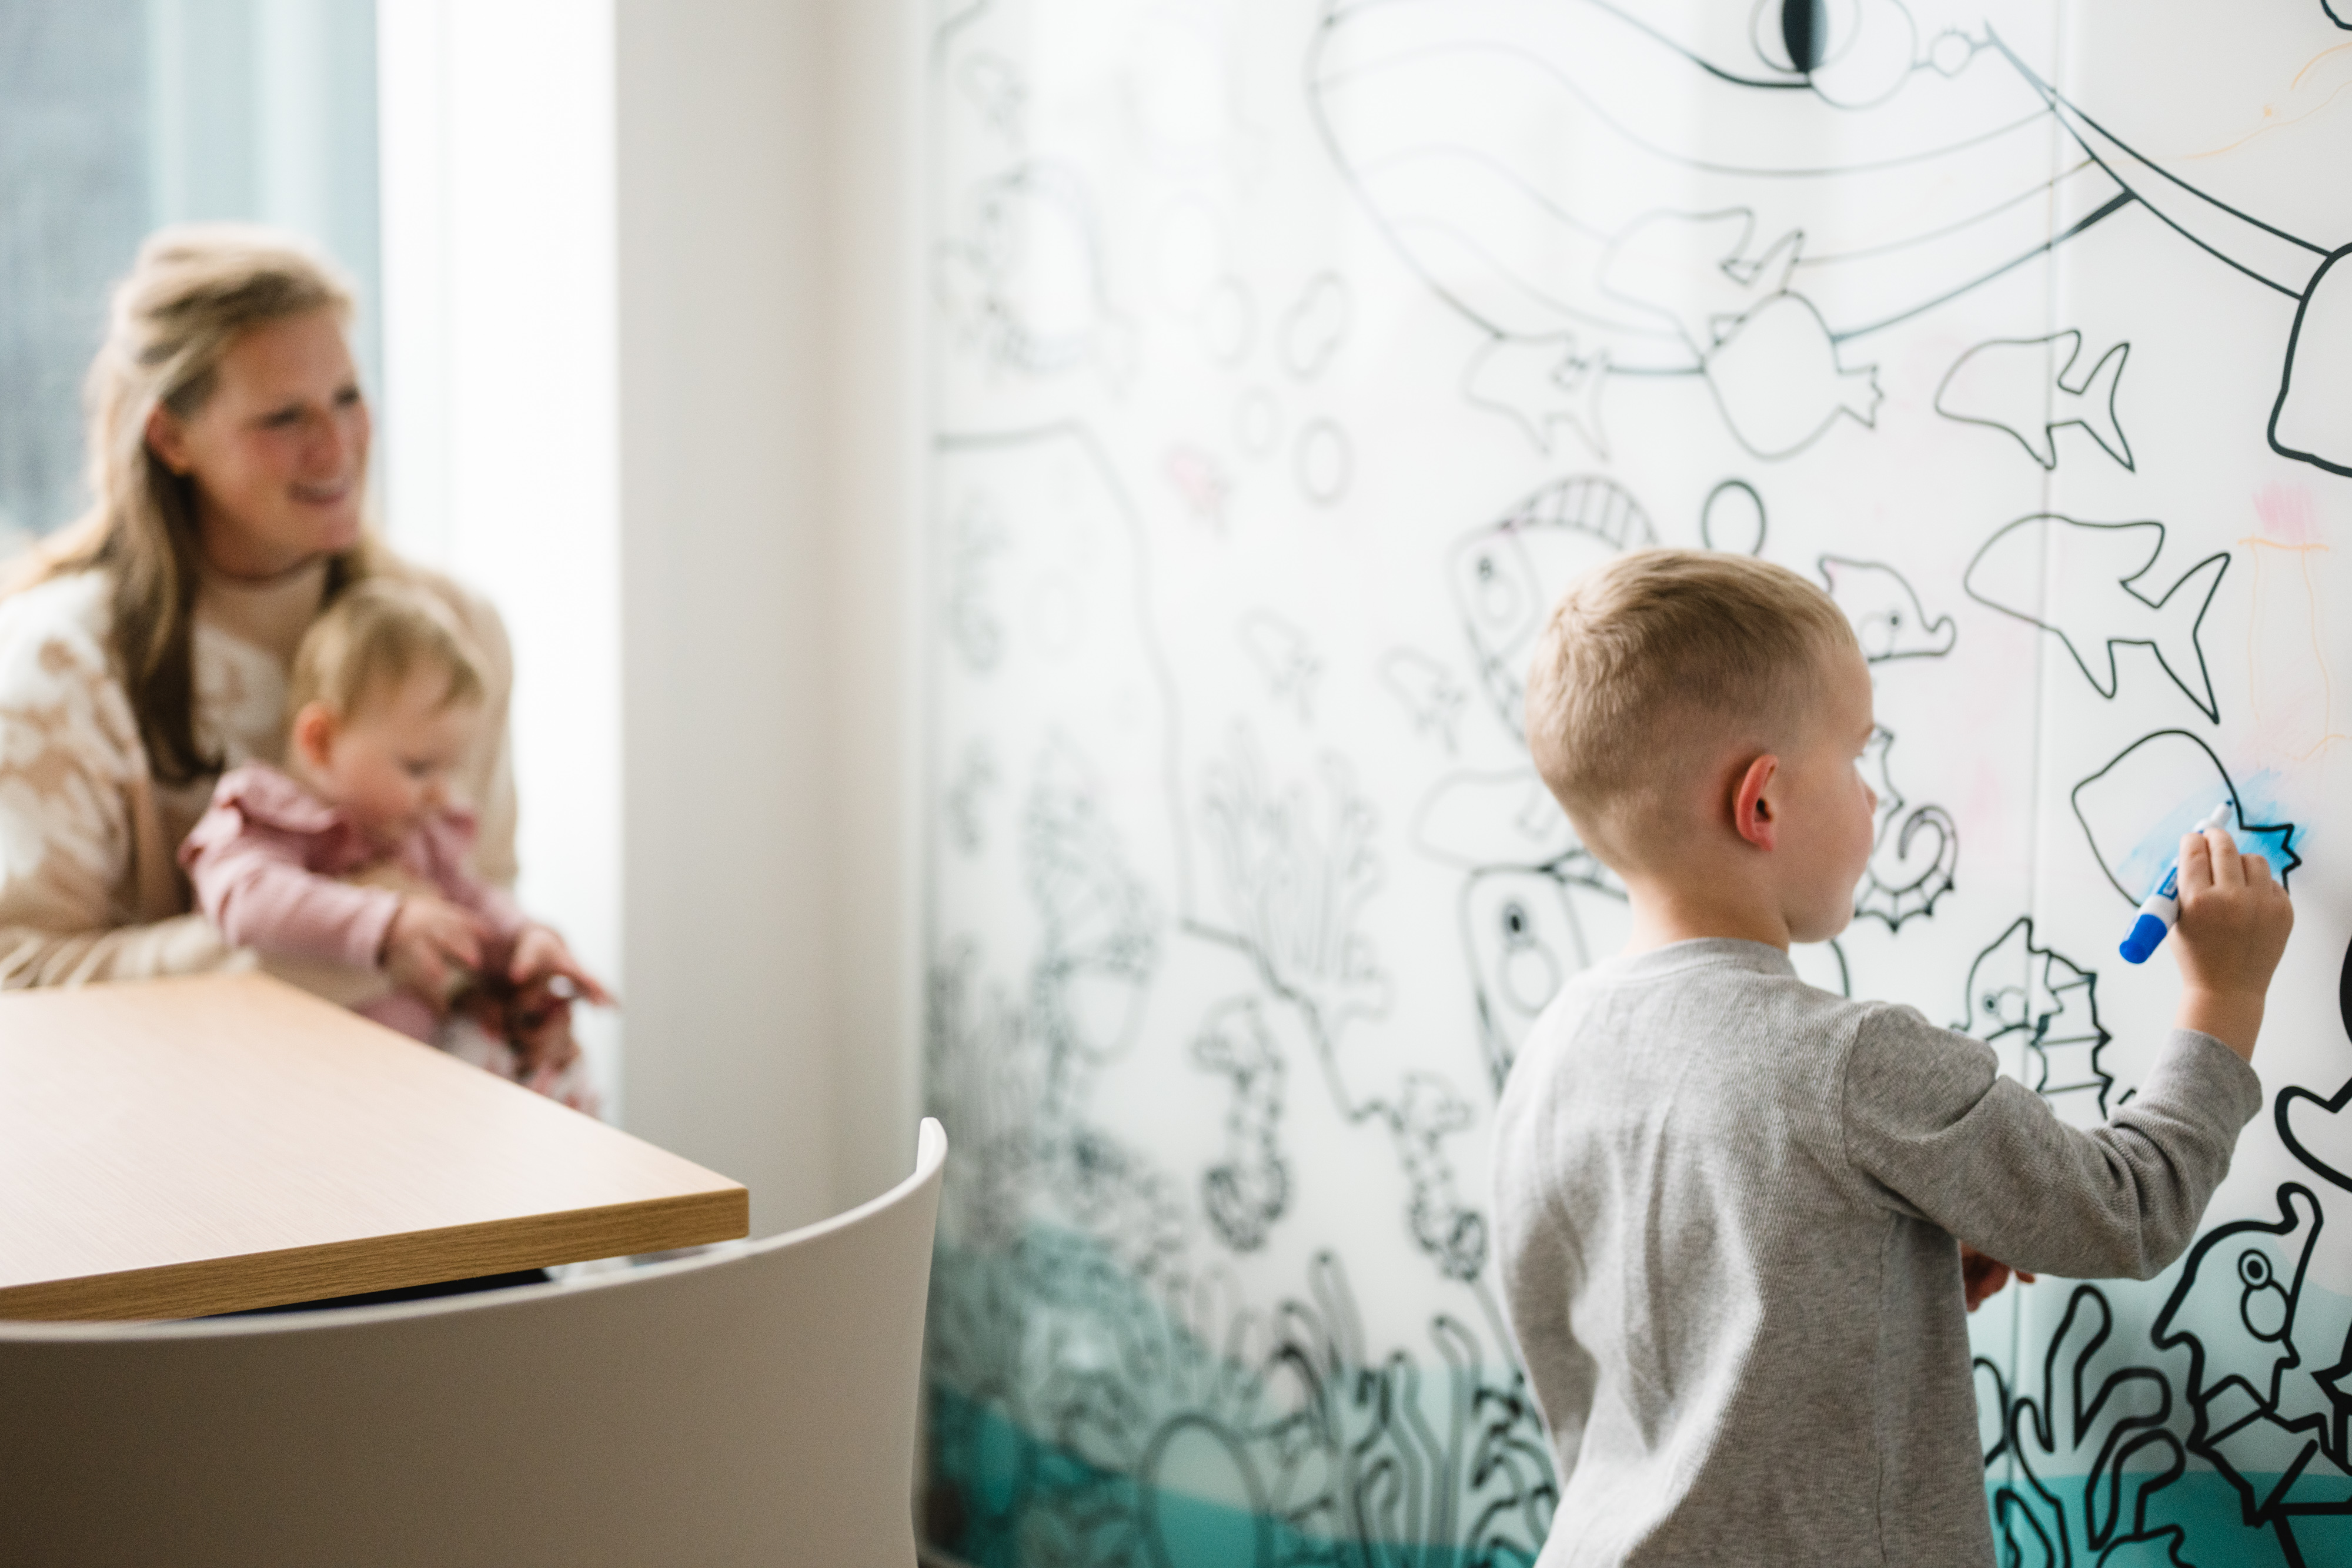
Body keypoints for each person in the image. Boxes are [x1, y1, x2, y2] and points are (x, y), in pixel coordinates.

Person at [1490, 550, 2292, 1566]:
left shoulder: (1552, 1052)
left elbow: (1641, 1330)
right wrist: (2227, 993)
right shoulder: (1853, 1062)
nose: (1873, 798)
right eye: (1856, 757)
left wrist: (1864, 1268)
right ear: (1762, 803)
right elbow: (2131, 1207)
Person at [0, 224, 587, 1082]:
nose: (337, 446)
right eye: (284, 417)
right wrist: (341, 936)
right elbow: (20, 980)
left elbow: (481, 883)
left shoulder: (458, 628)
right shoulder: (57, 669)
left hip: (418, 1107)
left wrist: (506, 980)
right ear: (171, 439)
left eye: (348, 396)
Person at [180, 580, 608, 1110]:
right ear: (320, 741)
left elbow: (472, 905)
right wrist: (387, 922)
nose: (442, 792)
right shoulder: (267, 813)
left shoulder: (417, 834)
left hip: (412, 1089)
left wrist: (526, 940)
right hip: (295, 1086)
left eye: (451, 769)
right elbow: (246, 901)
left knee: (548, 1069)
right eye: (419, 767)